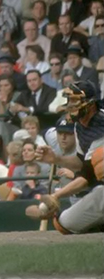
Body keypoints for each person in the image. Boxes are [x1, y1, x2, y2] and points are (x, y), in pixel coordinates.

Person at [26, 82, 104, 234]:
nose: (71, 105)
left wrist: (56, 195)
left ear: (91, 103)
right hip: (100, 187)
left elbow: (87, 175)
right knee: (63, 223)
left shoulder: (101, 126)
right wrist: (56, 159)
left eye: (75, 100)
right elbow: (81, 163)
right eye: (70, 100)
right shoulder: (79, 125)